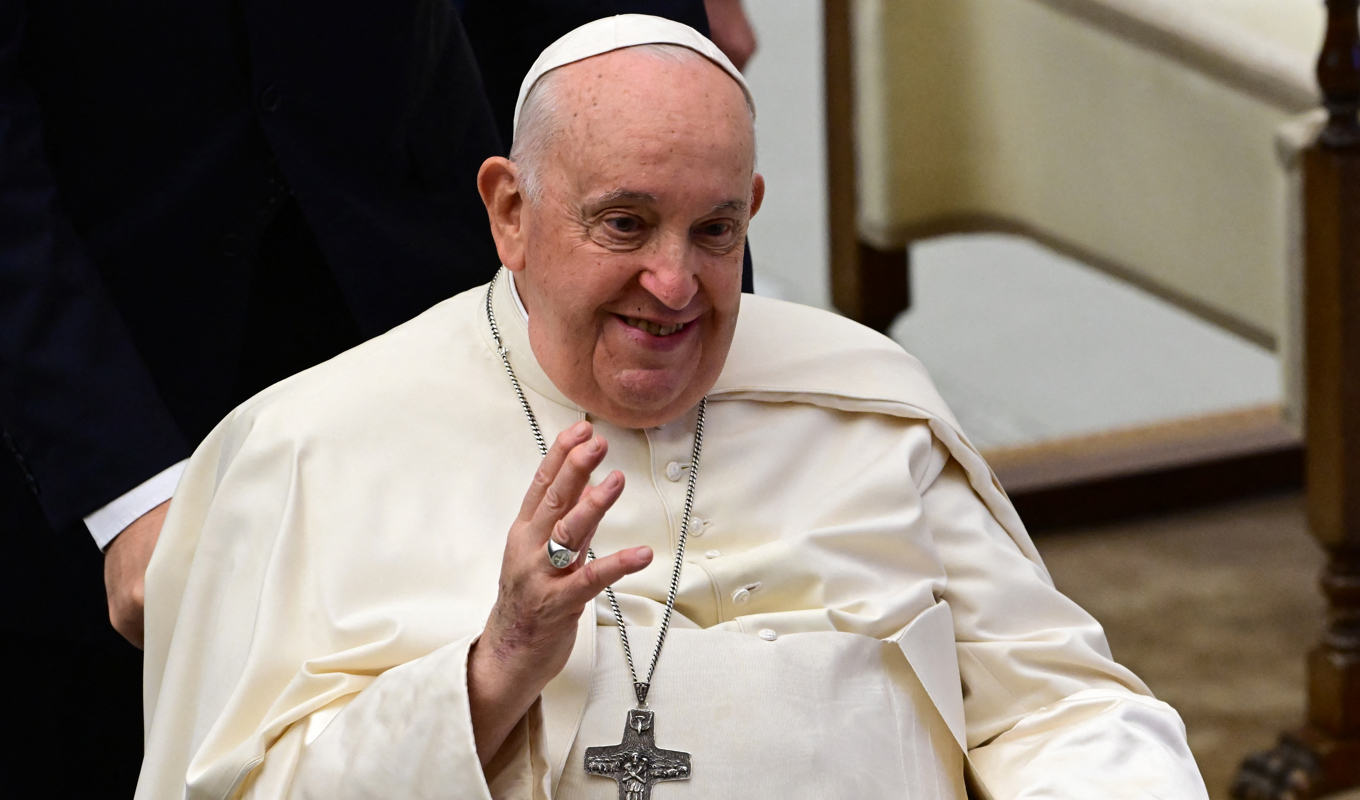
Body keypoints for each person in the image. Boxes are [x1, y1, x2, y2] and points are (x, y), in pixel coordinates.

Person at [138, 16, 1209, 800]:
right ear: (511, 212)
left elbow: (1057, 706)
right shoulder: (312, 452)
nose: (673, 283)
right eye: (625, 224)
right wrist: (493, 667)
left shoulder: (864, 401)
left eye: (712, 232)